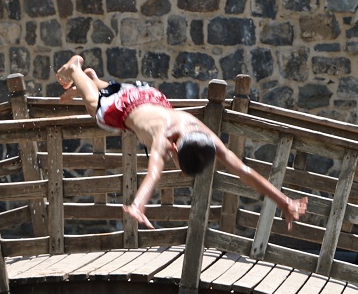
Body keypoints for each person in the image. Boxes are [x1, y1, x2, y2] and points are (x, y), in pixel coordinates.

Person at [56, 55, 308, 229]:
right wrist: (137, 205)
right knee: (97, 109)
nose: (172, 162)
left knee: (113, 93)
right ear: (174, 148)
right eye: (176, 161)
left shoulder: (200, 134)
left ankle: (94, 81)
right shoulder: (164, 138)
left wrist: (284, 202)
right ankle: (76, 69)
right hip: (125, 107)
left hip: (147, 95)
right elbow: (154, 173)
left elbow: (243, 170)